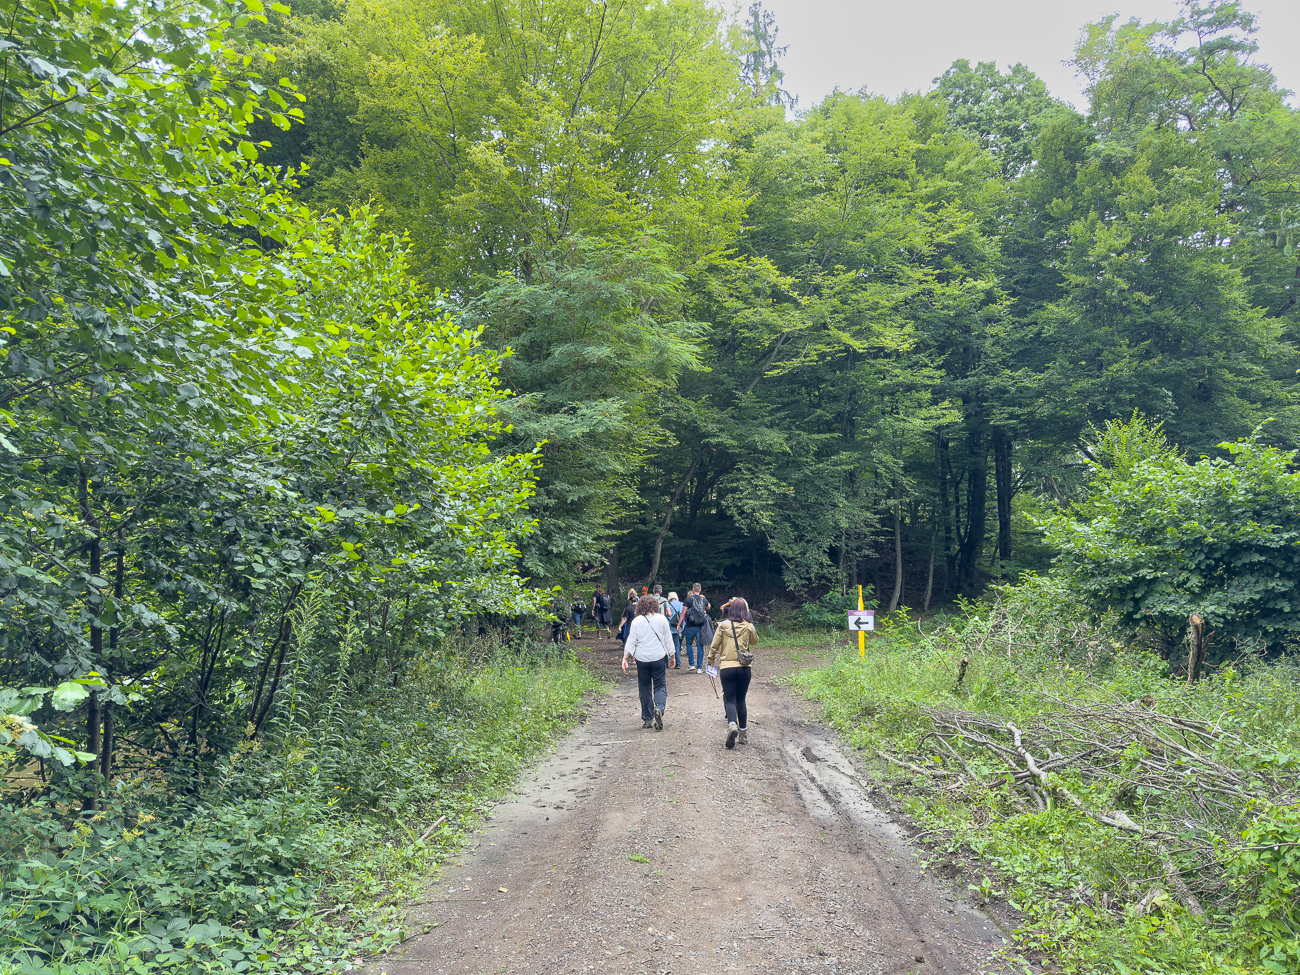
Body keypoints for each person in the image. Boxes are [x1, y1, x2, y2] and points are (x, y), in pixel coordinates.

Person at [707, 596, 758, 749]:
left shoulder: (723, 626)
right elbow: (754, 642)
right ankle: (743, 733)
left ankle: (732, 725)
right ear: (745, 611)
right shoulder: (749, 626)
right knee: (741, 699)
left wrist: (710, 662)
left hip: (727, 668)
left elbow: (714, 646)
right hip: (744, 668)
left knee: (730, 699)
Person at [622, 594, 673, 730]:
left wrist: (625, 658)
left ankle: (647, 718)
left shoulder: (637, 621)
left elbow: (631, 641)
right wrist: (672, 655)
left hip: (642, 659)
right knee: (660, 685)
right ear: (655, 605)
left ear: (640, 606)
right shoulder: (662, 619)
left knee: (644, 687)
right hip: (659, 657)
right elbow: (668, 639)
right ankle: (659, 709)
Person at [680, 583, 710, 674]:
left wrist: (679, 624)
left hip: (690, 625)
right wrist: (704, 600)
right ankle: (700, 668)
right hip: (700, 626)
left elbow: (683, 613)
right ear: (700, 590)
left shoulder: (688, 599)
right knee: (700, 645)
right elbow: (708, 607)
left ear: (693, 590)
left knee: (689, 644)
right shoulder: (703, 599)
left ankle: (691, 664)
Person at [651, 585, 675, 667]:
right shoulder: (664, 600)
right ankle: (666, 657)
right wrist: (664, 615)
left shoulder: (650, 599)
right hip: (662, 623)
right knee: (664, 640)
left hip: (651, 623)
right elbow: (669, 613)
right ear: (661, 592)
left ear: (653, 591)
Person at [666, 591, 684, 669]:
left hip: (670, 627)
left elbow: (668, 616)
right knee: (677, 645)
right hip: (678, 627)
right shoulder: (681, 604)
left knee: (668, 644)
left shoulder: (668, 604)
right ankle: (678, 662)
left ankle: (668, 662)